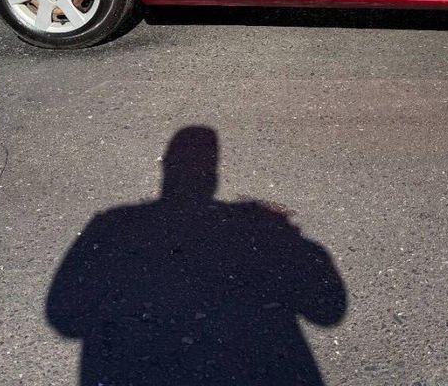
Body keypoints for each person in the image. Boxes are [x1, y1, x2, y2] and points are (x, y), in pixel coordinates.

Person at [46, 125, 347, 385]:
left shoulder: (114, 229)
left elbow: (64, 315)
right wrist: (286, 235)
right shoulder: (255, 229)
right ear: (212, 177)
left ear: (165, 171)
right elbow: (328, 305)